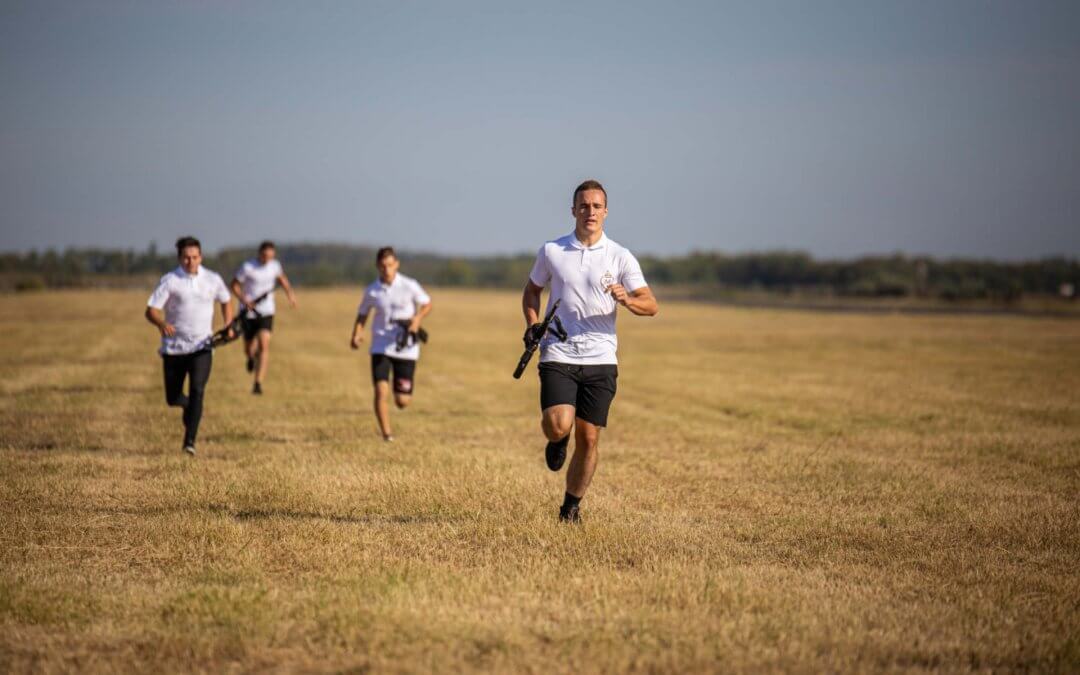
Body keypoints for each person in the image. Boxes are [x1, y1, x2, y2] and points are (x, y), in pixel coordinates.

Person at [521, 179, 659, 522]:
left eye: (597, 206)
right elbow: (531, 291)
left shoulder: (620, 256)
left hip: (601, 358)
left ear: (606, 212)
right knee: (558, 424)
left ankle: (570, 508)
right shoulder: (552, 251)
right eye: (584, 206)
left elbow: (651, 305)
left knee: (589, 437)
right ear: (573, 211)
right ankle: (556, 440)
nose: (590, 212)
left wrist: (627, 299)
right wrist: (533, 323)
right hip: (558, 352)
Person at [144, 236, 234, 456]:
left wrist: (229, 325)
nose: (190, 262)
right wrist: (161, 323)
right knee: (173, 397)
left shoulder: (212, 279)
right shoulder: (170, 280)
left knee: (198, 391)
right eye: (186, 257)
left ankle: (189, 442)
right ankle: (187, 407)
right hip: (174, 349)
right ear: (179, 258)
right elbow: (151, 310)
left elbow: (226, 300)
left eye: (194, 257)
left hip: (202, 346)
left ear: (200, 257)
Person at [350, 247, 433, 441]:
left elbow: (427, 303)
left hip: (406, 348)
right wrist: (356, 334)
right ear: (377, 266)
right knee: (380, 390)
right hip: (381, 346)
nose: (386, 269)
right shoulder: (372, 290)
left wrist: (418, 318)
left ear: (396, 264)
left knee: (402, 401)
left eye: (390, 265)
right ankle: (387, 435)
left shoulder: (409, 285)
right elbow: (362, 314)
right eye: (383, 265)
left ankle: (401, 397)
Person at [230, 241, 298, 395]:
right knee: (248, 348)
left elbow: (283, 280)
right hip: (248, 312)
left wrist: (291, 296)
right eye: (265, 255)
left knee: (264, 344)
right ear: (259, 253)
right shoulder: (248, 267)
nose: (267, 259)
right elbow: (234, 285)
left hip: (266, 311)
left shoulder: (275, 266)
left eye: (270, 256)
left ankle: (258, 383)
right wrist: (244, 300)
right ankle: (251, 357)